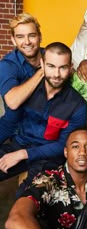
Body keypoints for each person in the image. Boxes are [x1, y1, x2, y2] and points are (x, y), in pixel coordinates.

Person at [0, 42, 87, 197]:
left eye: (63, 67)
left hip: (48, 157)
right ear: (42, 64)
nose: (56, 74)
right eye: (51, 66)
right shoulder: (26, 91)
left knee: (26, 200)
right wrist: (17, 151)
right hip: (18, 144)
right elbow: (9, 122)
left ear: (71, 67)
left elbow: (63, 145)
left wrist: (23, 154)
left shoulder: (77, 105)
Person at [0, 12, 44, 143]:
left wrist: (83, 64)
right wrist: (43, 71)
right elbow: (13, 102)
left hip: (43, 128)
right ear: (13, 40)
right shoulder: (7, 65)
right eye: (20, 37)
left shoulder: (51, 54)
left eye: (32, 36)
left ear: (40, 37)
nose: (27, 42)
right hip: (13, 132)